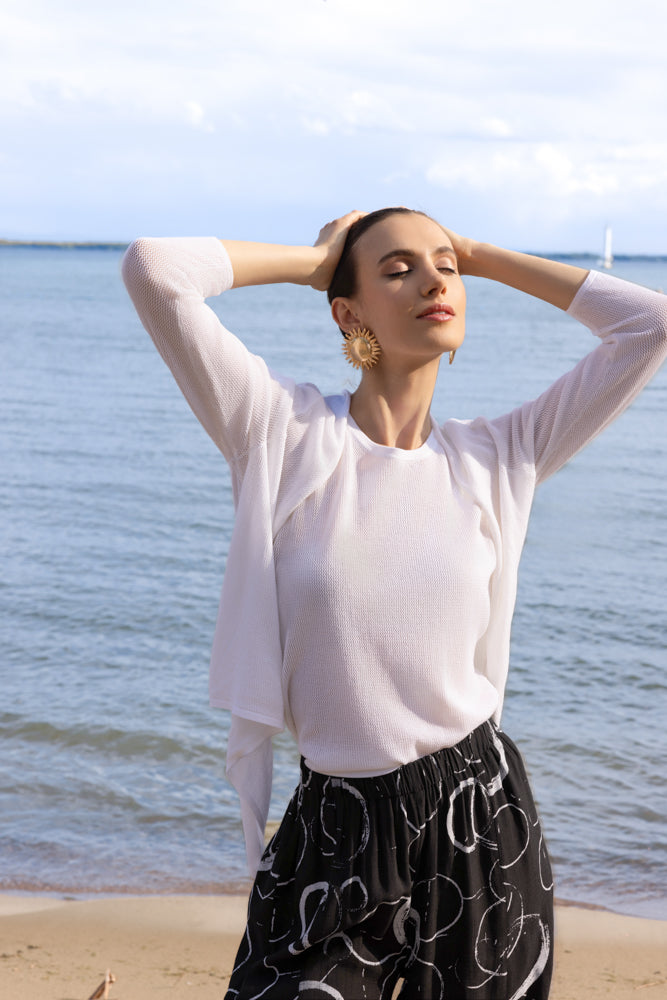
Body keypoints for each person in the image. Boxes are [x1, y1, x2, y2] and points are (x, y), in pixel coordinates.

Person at [122, 209, 667, 999]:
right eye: (396, 268)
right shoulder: (282, 430)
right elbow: (155, 269)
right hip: (333, 829)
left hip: (479, 822)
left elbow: (647, 325)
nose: (434, 279)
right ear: (348, 313)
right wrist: (314, 260)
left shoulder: (496, 457)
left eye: (444, 265)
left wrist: (480, 256)